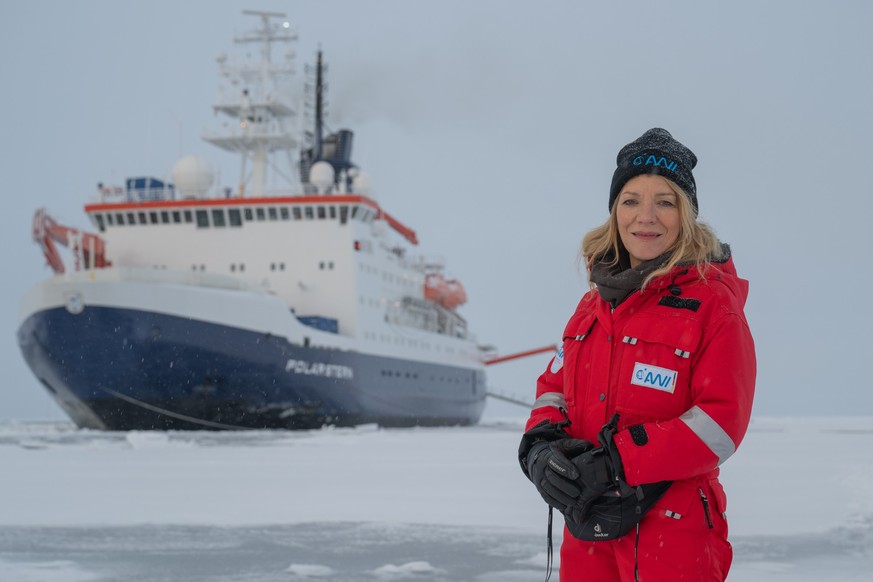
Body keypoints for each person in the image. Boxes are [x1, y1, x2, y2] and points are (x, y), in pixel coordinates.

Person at [518, 128, 756, 581]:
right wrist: (539, 446)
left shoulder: (712, 304)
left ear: (685, 215)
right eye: (630, 200)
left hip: (674, 528)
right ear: (614, 212)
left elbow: (721, 423)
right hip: (589, 524)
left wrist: (617, 462)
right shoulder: (594, 304)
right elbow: (554, 390)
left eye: (665, 201)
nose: (646, 216)